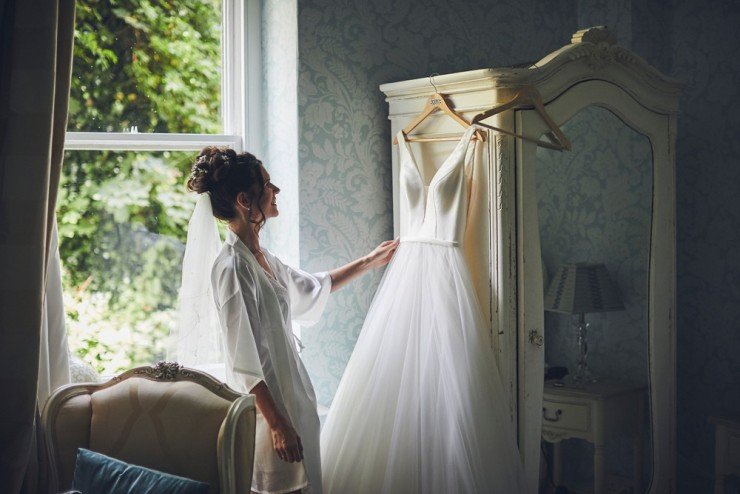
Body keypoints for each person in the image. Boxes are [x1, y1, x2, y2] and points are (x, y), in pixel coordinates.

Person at [320, 126, 524, 493]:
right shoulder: (403, 136)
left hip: (446, 270)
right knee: (390, 376)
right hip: (405, 274)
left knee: (451, 382)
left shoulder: (475, 139)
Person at [184, 147, 398, 494]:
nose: (276, 191)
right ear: (244, 200)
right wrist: (278, 424)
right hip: (268, 419)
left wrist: (368, 262)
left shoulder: (261, 258)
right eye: (268, 185)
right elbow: (243, 362)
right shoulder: (233, 268)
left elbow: (310, 287)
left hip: (295, 400)